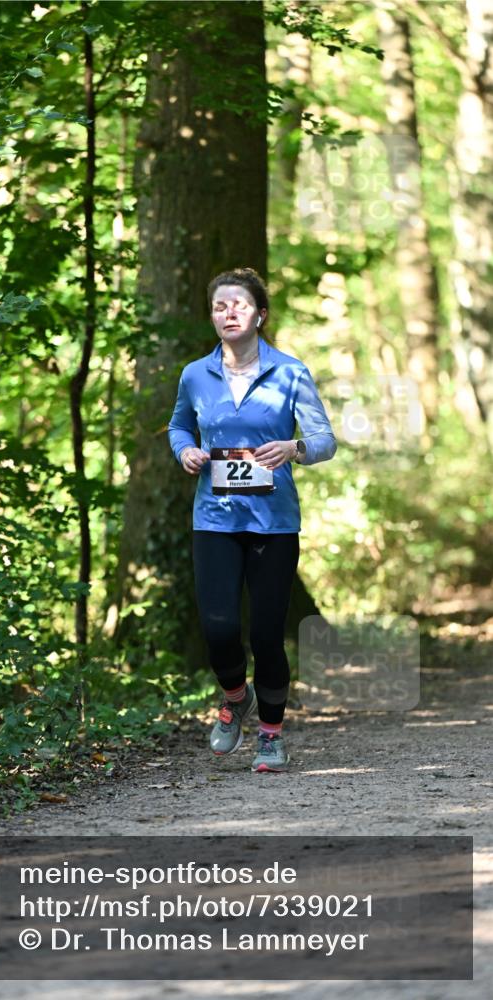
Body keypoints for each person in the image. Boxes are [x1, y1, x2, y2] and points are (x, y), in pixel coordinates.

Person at [167, 267, 337, 773]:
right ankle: (235, 696)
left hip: (274, 522)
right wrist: (186, 451)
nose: (229, 313)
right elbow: (179, 424)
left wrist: (294, 447)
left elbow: (325, 440)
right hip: (214, 519)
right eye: (220, 307)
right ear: (213, 317)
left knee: (266, 633)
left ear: (259, 314)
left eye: (238, 305)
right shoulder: (196, 374)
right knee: (219, 629)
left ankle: (270, 734)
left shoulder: (289, 372)